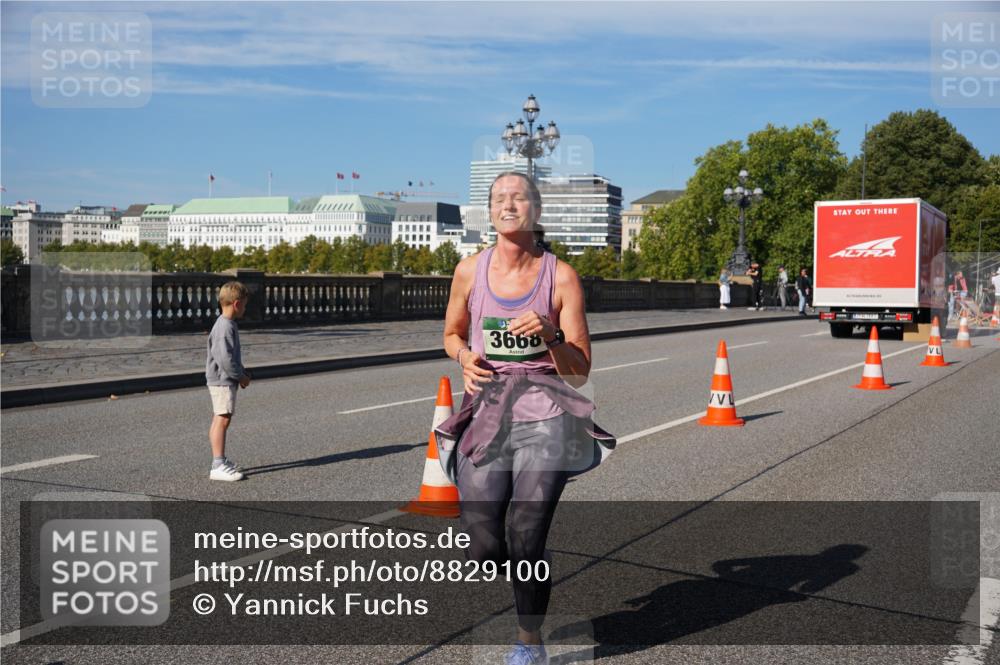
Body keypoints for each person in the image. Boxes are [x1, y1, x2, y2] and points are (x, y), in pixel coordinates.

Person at [437, 171, 614, 665]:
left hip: (547, 412)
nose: (507, 205)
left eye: (518, 197)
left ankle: (528, 641)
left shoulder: (560, 276)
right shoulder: (469, 271)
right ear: (488, 211)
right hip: (489, 409)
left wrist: (553, 335)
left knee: (527, 531)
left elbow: (580, 371)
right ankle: (527, 562)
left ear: (536, 209)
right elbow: (451, 334)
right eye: (498, 198)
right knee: (484, 542)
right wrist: (463, 357)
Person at [205, 281, 252, 481]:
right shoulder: (225, 326)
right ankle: (218, 464)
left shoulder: (226, 324)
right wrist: (240, 376)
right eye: (245, 305)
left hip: (223, 379)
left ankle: (220, 460)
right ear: (237, 304)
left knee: (221, 418)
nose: (245, 308)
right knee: (222, 419)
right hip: (223, 380)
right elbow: (225, 359)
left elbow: (229, 357)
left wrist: (241, 371)